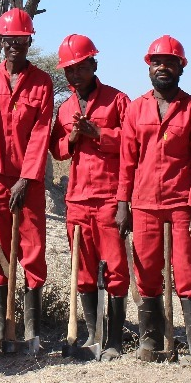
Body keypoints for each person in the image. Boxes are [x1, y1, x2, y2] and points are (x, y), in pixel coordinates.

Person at [116, 36, 191, 363]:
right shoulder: (136, 109)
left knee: (188, 272)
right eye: (157, 62)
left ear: (181, 68)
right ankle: (152, 342)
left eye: (170, 63)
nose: (163, 68)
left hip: (182, 205)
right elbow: (127, 161)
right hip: (144, 206)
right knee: (146, 273)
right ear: (148, 68)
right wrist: (123, 204)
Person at [0, 8, 54, 349]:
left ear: (29, 41)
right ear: (1, 42)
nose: (14, 45)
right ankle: (4, 328)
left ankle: (32, 333)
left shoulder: (42, 83)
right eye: (9, 40)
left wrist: (26, 178)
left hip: (28, 183)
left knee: (32, 252)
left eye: (20, 39)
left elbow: (41, 132)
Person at [50, 35, 131, 360]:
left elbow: (133, 143)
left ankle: (114, 340)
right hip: (77, 200)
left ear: (94, 65)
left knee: (115, 269)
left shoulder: (117, 100)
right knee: (82, 269)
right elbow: (57, 150)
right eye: (69, 70)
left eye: (81, 67)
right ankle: (92, 335)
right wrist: (72, 136)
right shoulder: (65, 108)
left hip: (109, 197)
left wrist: (99, 133)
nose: (75, 75)